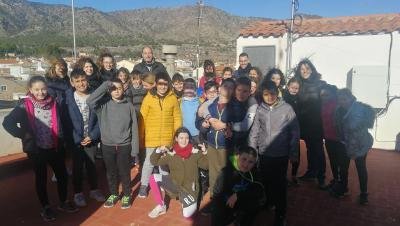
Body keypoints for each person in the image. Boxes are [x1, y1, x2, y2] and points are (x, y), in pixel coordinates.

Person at [3, 76, 78, 222]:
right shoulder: (24, 106)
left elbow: (62, 122)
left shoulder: (54, 102)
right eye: (37, 89)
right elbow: (7, 123)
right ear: (30, 90)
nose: (41, 92)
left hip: (54, 147)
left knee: (62, 176)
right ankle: (46, 207)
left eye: (43, 89)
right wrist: (23, 135)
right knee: (41, 179)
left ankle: (63, 202)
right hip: (36, 150)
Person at [249, 80, 299, 226]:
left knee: (279, 185)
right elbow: (255, 131)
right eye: (266, 94)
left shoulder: (287, 109)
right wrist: (253, 151)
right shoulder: (260, 109)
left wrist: (293, 151)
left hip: (281, 154)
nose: (269, 97)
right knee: (267, 181)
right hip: (264, 153)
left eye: (272, 94)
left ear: (277, 93)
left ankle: (281, 213)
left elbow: (295, 132)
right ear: (262, 95)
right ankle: (270, 202)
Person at [86, 77, 139, 209]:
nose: (116, 91)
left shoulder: (129, 106)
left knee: (124, 171)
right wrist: (105, 85)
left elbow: (134, 128)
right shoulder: (102, 106)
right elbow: (90, 100)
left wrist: (135, 149)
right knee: (111, 172)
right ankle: (114, 193)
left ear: (123, 89)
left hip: (124, 145)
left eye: (119, 88)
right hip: (107, 145)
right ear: (109, 90)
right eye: (113, 89)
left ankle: (127, 194)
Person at [147, 127, 208, 218]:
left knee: (186, 215)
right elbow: (154, 162)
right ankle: (161, 206)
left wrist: (205, 152)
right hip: (175, 183)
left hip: (189, 189)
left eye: (186, 138)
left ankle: (185, 199)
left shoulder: (195, 153)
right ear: (176, 139)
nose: (184, 141)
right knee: (153, 178)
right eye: (181, 138)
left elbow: (206, 166)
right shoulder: (171, 154)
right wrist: (158, 150)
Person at [139, 72, 182, 198]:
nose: (163, 87)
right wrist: (141, 136)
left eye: (165, 84)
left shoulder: (173, 98)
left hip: (167, 137)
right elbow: (142, 118)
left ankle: (165, 183)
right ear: (156, 84)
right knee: (149, 162)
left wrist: (177, 134)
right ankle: (144, 185)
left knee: (164, 162)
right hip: (151, 137)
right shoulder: (148, 98)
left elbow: (177, 117)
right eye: (160, 84)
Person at [66, 69, 105, 207]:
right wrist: (77, 138)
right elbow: (67, 122)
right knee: (77, 167)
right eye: (77, 81)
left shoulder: (94, 96)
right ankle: (78, 193)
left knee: (92, 165)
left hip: (91, 138)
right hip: (76, 140)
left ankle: (94, 190)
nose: (81, 83)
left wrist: (93, 135)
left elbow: (101, 119)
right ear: (72, 82)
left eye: (83, 80)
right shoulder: (68, 99)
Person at [199, 78, 235, 215]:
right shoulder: (213, 103)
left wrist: (227, 126)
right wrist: (208, 119)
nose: (228, 89)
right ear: (220, 87)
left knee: (226, 175)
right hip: (212, 144)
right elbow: (202, 110)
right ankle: (214, 201)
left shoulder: (235, 106)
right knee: (214, 174)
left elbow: (238, 123)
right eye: (225, 86)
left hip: (226, 146)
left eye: (231, 87)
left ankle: (226, 203)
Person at [334, 88, 374, 205]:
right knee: (343, 167)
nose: (342, 102)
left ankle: (364, 194)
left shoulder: (360, 109)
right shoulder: (338, 110)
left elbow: (364, 124)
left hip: (360, 144)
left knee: (360, 168)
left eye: (344, 99)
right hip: (345, 143)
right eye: (339, 99)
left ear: (351, 98)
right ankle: (343, 188)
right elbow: (338, 126)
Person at [294, 59, 328, 189]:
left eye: (307, 69)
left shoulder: (320, 84)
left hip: (317, 123)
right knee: (309, 148)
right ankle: (311, 172)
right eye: (302, 69)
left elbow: (329, 99)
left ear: (312, 70)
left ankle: (321, 177)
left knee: (318, 150)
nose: (305, 71)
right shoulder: (298, 84)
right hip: (304, 122)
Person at [212, 147, 265, 226]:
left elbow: (259, 190)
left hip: (242, 200)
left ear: (254, 164)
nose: (246, 165)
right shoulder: (226, 171)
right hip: (226, 202)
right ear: (238, 157)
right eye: (244, 159)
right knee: (217, 211)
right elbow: (217, 193)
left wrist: (238, 195)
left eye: (251, 162)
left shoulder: (254, 173)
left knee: (255, 204)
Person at [320, 85, 344, 189]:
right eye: (322, 95)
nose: (323, 97)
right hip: (328, 137)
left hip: (338, 139)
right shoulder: (323, 105)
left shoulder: (337, 105)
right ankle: (335, 181)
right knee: (333, 161)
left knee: (340, 163)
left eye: (326, 95)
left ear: (332, 95)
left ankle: (342, 185)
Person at [283, 77, 301, 185]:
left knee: (296, 155)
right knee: (284, 155)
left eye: (297, 88)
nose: (294, 90)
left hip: (295, 130)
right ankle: (284, 176)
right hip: (285, 130)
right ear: (288, 86)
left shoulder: (299, 99)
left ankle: (294, 175)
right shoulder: (283, 98)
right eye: (292, 87)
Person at [181, 78, 201, 143]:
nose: (189, 90)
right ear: (183, 89)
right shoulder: (179, 102)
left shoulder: (200, 101)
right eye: (187, 87)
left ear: (195, 89)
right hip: (184, 134)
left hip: (197, 134)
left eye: (191, 88)